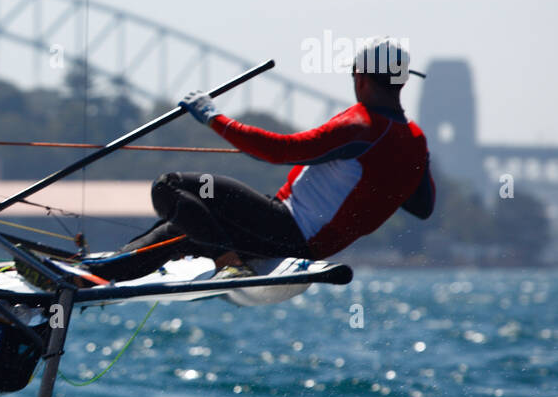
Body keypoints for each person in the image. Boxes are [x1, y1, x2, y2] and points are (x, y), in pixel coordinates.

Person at [76, 37, 436, 283]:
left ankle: (226, 261)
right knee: (186, 226)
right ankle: (101, 272)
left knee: (170, 187)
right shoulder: (416, 142)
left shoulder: (360, 125)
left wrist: (214, 117)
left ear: (361, 78)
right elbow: (422, 208)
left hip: (288, 228)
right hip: (298, 237)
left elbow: (279, 151)